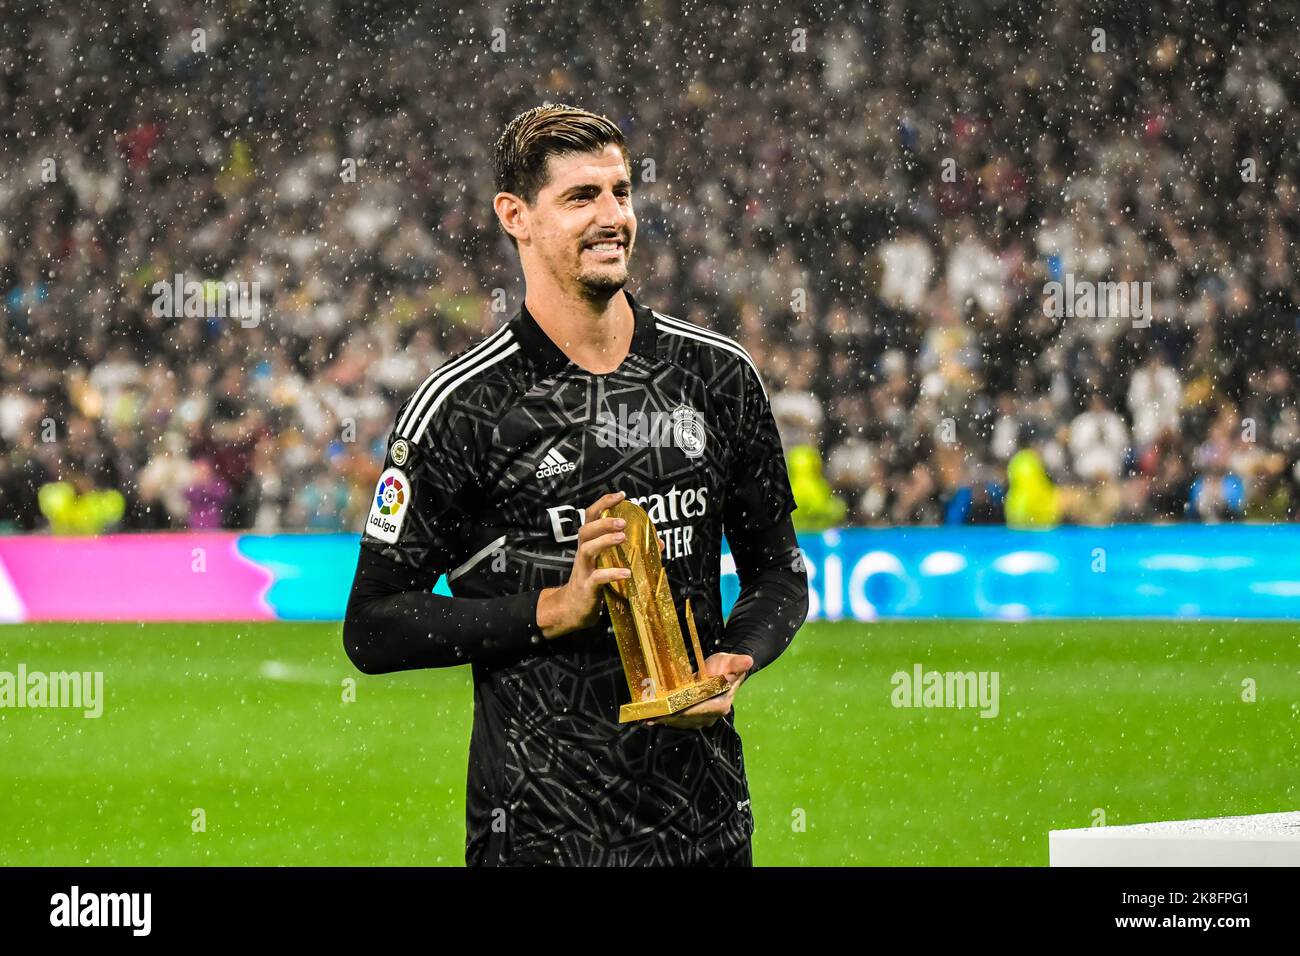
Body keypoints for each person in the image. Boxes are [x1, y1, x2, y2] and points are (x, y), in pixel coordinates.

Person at [341, 104, 808, 867]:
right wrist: (557, 609)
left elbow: (779, 573)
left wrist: (737, 656)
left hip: (708, 829)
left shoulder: (717, 376)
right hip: (538, 837)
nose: (612, 216)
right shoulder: (463, 408)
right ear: (515, 217)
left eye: (620, 192)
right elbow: (373, 626)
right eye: (581, 196)